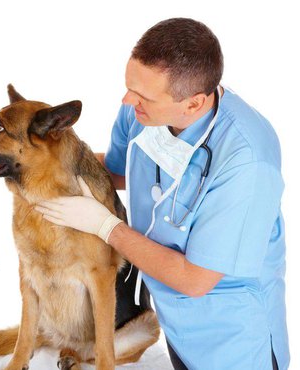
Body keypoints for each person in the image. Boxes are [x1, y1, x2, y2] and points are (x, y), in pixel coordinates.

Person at [35, 18, 289, 369]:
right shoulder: (139, 109)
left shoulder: (247, 163)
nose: (127, 100)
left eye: (142, 96)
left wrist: (106, 227)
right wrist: (43, 166)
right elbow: (118, 170)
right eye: (129, 87)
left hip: (231, 339)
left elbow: (195, 279)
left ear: (193, 104)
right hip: (172, 321)